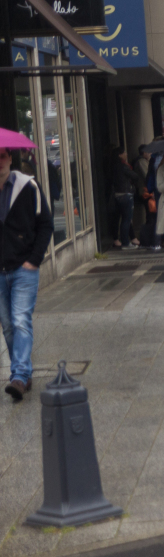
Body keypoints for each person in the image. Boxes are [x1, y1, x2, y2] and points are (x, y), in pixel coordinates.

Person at [0, 147, 53, 402]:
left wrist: (34, 260)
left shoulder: (28, 186)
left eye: (2, 156)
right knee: (8, 327)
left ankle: (19, 377)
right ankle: (24, 372)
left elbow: (46, 224)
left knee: (20, 320)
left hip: (23, 269)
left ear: (10, 158)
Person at [109, 147, 143, 249]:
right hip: (126, 194)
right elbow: (135, 176)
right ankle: (125, 242)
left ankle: (125, 241)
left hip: (117, 195)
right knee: (126, 219)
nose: (126, 154)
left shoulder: (113, 166)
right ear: (120, 155)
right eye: (124, 152)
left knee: (122, 219)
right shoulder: (123, 166)